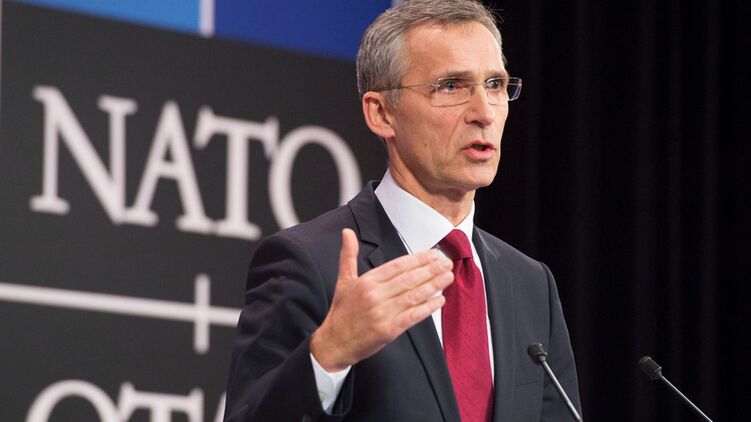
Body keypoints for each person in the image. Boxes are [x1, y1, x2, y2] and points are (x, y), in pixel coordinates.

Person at [224, 1, 581, 420]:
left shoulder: (531, 285)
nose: (484, 113)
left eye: (495, 84)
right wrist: (328, 353)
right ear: (381, 113)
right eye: (451, 86)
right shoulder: (310, 263)